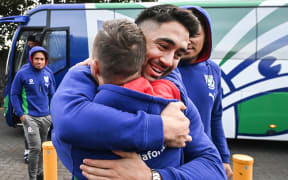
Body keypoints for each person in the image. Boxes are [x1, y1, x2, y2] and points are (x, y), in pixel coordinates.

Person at [51, 5, 226, 180]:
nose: (168, 62)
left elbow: (214, 168)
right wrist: (161, 128)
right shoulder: (89, 74)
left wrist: (153, 176)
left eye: (178, 54)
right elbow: (68, 120)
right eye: (163, 46)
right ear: (138, 38)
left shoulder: (176, 97)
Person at [178, 7, 233, 179]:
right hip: (170, 158)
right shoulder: (162, 67)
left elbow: (215, 117)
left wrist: (223, 158)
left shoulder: (213, 70)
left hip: (202, 158)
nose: (187, 41)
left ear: (206, 38)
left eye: (194, 34)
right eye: (182, 34)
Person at [10, 46, 56, 180]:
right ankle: (33, 177)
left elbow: (53, 94)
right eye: (36, 59)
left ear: (45, 60)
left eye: (42, 59)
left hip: (46, 117)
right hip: (30, 118)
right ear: (31, 58)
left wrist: (52, 113)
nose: (39, 62)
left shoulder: (48, 73)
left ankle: (40, 173)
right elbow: (14, 94)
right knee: (35, 148)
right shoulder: (22, 73)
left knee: (42, 147)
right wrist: (21, 115)